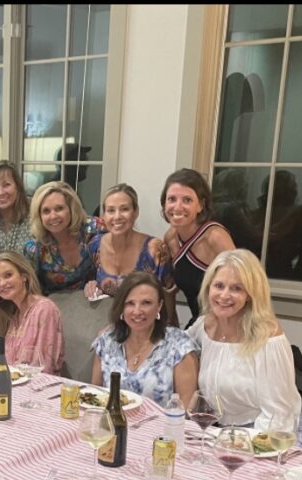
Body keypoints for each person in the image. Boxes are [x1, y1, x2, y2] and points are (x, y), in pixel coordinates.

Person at [185, 249, 302, 449]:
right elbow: (175, 348)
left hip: (271, 436)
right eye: (219, 285)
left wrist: (242, 444)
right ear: (208, 287)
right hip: (222, 435)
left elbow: (280, 413)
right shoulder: (203, 326)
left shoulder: (267, 336)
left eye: (237, 288)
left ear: (250, 295)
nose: (224, 295)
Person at [91, 272, 198, 407]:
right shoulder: (106, 341)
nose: (137, 311)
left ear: (159, 306)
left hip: (163, 427)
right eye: (130, 303)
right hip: (111, 425)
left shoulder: (180, 346)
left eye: (146, 303)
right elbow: (95, 400)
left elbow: (187, 411)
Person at [85, 183, 177, 317]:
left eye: (124, 209)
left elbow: (168, 300)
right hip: (108, 322)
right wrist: (91, 285)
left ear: (135, 212)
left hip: (148, 325)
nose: (117, 216)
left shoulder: (156, 249)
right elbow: (92, 279)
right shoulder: (95, 245)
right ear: (103, 215)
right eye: (111, 210)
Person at [161, 168, 236, 324]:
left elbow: (244, 285)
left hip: (228, 323)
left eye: (187, 200)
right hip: (198, 322)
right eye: (172, 199)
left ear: (201, 205)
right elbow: (169, 285)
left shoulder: (215, 237)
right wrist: (171, 318)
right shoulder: (170, 238)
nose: (177, 207)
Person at [0, 251, 64, 374]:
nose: (2, 283)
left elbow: (44, 367)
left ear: (24, 276)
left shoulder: (45, 309)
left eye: (8, 275)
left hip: (40, 389)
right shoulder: (13, 314)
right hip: (13, 385)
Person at [23, 181, 102, 294]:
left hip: (96, 303)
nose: (53, 216)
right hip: (56, 307)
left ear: (71, 209)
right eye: (46, 211)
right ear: (39, 216)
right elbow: (31, 292)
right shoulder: (34, 248)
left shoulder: (94, 228)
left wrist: (98, 281)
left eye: (59, 208)